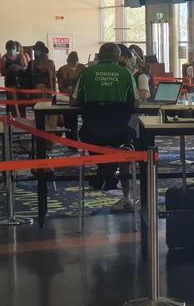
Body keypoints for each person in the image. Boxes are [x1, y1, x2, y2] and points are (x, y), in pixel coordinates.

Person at [71, 43, 139, 211]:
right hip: (120, 132)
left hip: (92, 132)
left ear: (99, 56)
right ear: (117, 57)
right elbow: (136, 103)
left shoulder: (86, 73)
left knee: (93, 139)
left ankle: (104, 170)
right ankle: (110, 172)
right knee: (124, 143)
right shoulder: (126, 73)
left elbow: (73, 101)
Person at [56, 52, 85, 139]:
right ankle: (72, 140)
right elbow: (60, 87)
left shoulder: (82, 68)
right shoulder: (62, 70)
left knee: (72, 119)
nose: (73, 64)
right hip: (68, 98)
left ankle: (73, 139)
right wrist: (67, 89)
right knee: (69, 119)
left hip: (75, 98)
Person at [30, 41, 57, 129]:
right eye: (35, 50)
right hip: (36, 93)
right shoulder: (32, 63)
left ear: (43, 51)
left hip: (48, 92)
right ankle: (39, 134)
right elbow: (30, 78)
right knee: (39, 116)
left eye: (38, 50)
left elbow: (53, 80)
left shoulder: (50, 63)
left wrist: (54, 94)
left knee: (49, 115)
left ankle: (49, 135)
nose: (37, 52)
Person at [0, 40, 26, 117]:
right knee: (13, 104)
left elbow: (26, 68)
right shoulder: (4, 58)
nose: (11, 51)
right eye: (9, 49)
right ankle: (17, 120)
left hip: (21, 82)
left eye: (13, 48)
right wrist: (9, 69)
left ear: (16, 49)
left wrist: (19, 68)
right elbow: (2, 72)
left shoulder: (21, 57)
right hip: (10, 82)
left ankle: (23, 119)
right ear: (6, 49)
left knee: (22, 103)